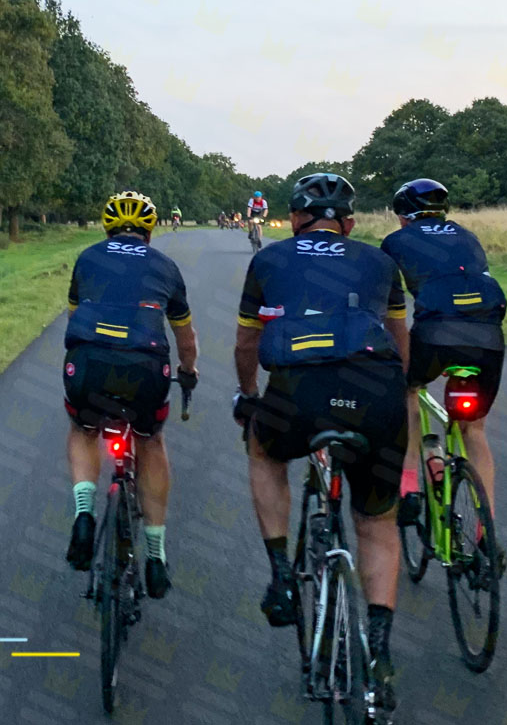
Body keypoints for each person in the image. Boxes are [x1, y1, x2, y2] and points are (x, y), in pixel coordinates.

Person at [232, 172, 408, 714]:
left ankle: (282, 576)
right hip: (374, 387)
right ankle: (378, 650)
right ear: (348, 223)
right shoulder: (380, 261)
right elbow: (400, 339)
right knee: (377, 522)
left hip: (297, 392)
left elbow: (246, 341)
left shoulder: (269, 260)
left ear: (293, 220)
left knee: (263, 450)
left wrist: (247, 395)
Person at [63, 191, 199, 598]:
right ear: (150, 230)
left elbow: (74, 318)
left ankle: (84, 514)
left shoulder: (87, 258)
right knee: (151, 441)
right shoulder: (167, 266)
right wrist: (188, 372)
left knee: (84, 429)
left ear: (107, 227)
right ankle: (155, 557)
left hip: (89, 361)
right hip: (145, 367)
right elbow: (185, 337)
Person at [381, 179, 507, 573]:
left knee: (408, 389)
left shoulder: (395, 242)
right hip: (487, 335)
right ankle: (487, 534)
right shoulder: (468, 237)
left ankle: (409, 489)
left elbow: (390, 306)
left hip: (435, 334)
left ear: (403, 217)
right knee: (474, 430)